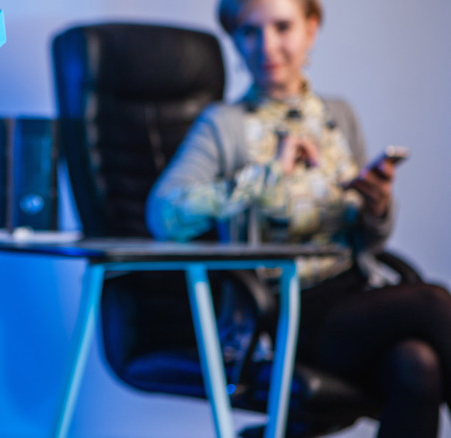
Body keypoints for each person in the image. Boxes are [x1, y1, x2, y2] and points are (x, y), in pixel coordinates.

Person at [145, 0, 451, 437]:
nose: (266, 46)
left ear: (311, 28)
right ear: (235, 39)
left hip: (353, 299)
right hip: (283, 311)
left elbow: (370, 241)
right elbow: (164, 215)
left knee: (416, 366)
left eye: (282, 27)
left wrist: (377, 204)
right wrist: (264, 178)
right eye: (250, 32)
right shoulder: (223, 125)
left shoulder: (337, 116)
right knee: (433, 303)